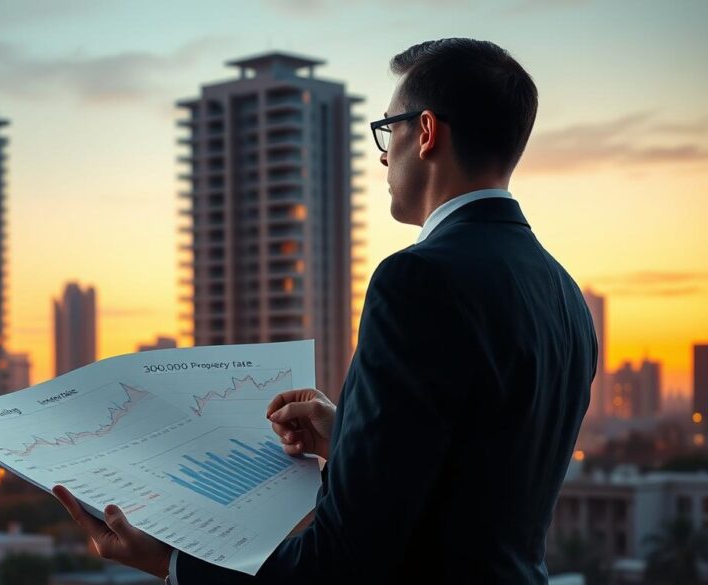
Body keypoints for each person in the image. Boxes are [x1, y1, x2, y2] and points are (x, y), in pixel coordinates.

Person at [53, 37, 597, 584]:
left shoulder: (417, 280)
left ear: (427, 133)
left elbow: (343, 561)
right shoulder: (564, 295)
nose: (383, 155)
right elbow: (474, 481)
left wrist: (168, 561)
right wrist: (349, 441)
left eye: (389, 129)